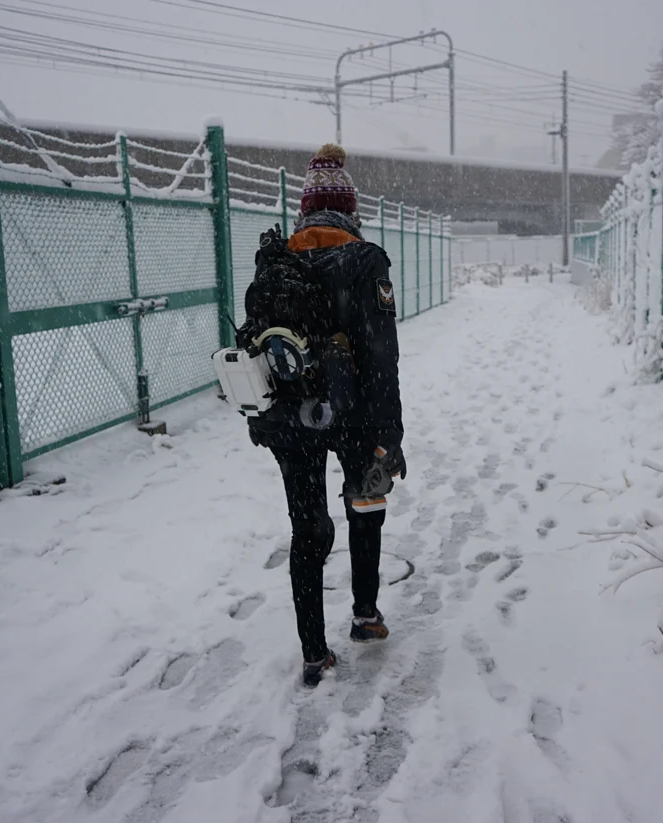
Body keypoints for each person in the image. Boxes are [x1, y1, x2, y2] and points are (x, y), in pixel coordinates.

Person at [243, 144, 406, 688]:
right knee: (365, 505)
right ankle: (365, 616)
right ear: (350, 210)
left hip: (291, 415)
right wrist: (391, 433)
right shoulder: (364, 260)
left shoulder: (277, 261)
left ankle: (314, 652)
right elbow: (381, 357)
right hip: (355, 412)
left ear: (303, 212)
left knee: (307, 529)